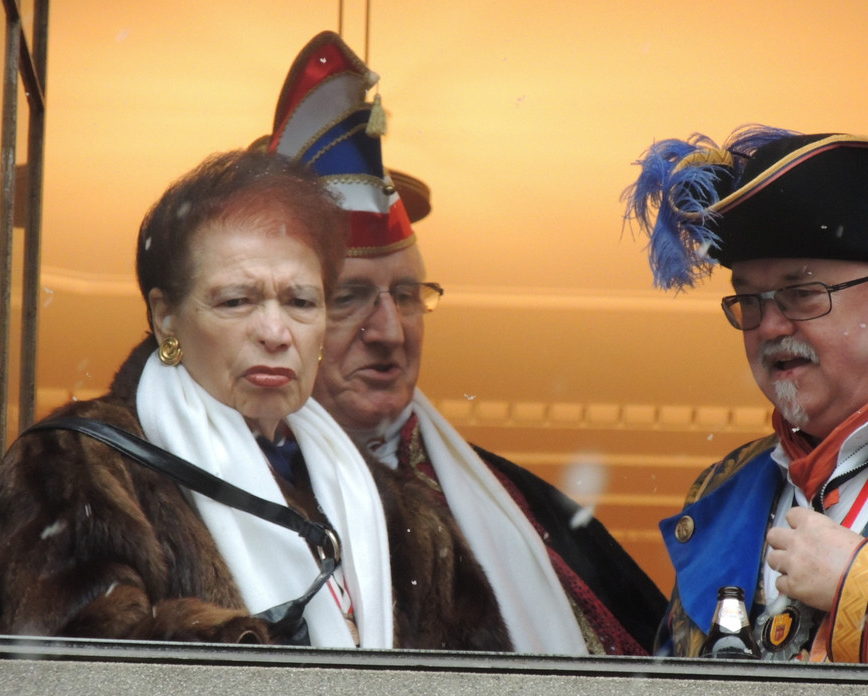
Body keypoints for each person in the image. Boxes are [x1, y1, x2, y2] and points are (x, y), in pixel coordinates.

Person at [0, 149, 512, 651]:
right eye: (236, 301)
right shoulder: (77, 465)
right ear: (165, 318)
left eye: (301, 302)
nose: (276, 332)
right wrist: (233, 641)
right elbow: (65, 684)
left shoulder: (398, 514)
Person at [262, 31, 666, 655]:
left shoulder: (530, 510)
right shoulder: (224, 486)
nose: (390, 332)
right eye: (349, 298)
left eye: (406, 295)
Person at [626, 125, 868, 665]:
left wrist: (863, 583)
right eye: (750, 301)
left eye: (802, 294)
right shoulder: (722, 489)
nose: (768, 327)